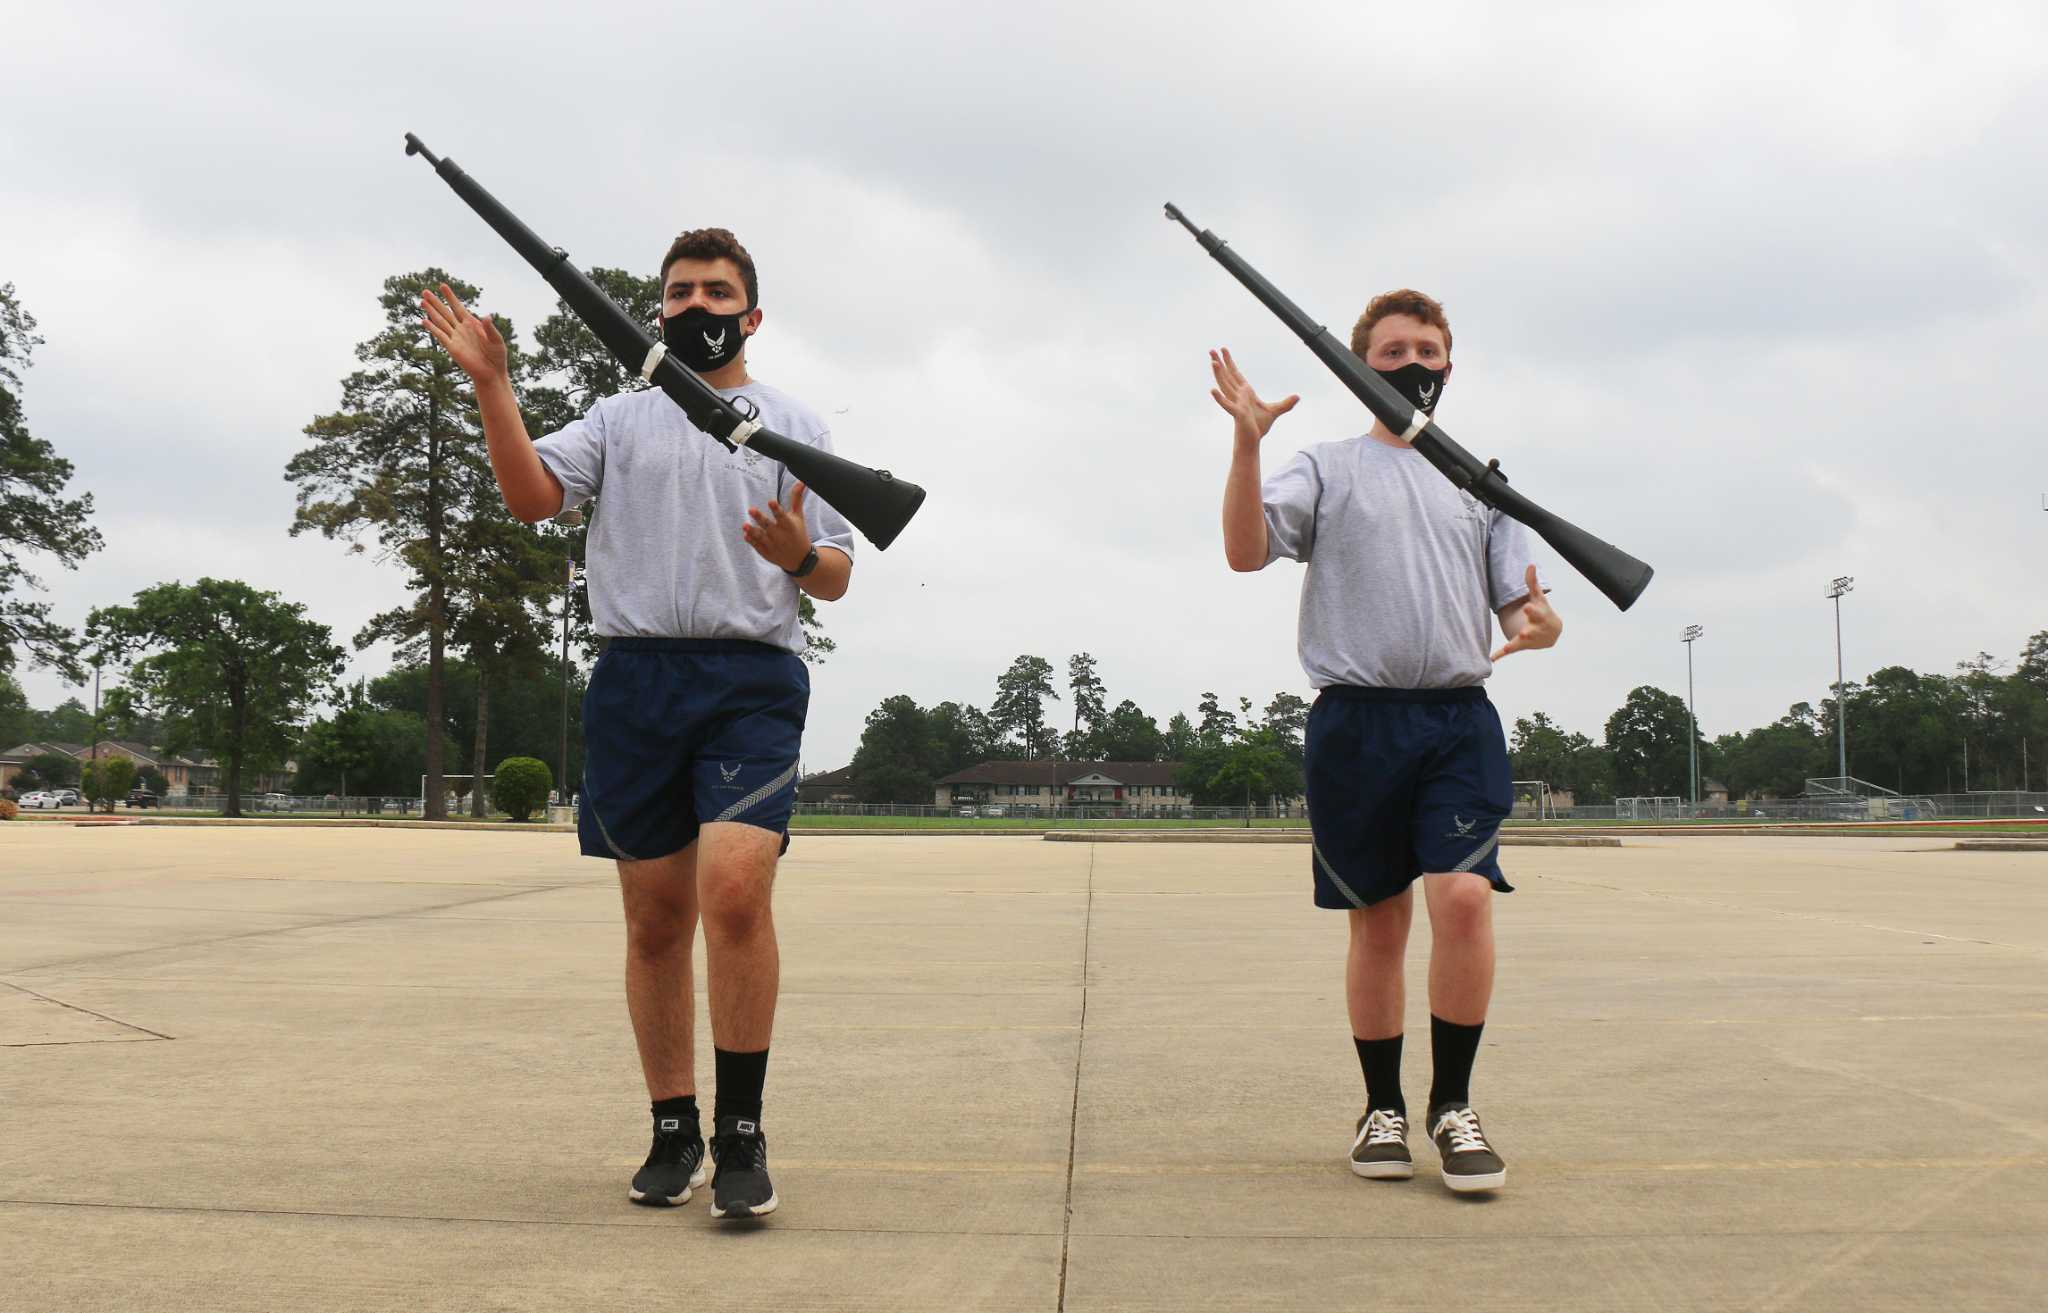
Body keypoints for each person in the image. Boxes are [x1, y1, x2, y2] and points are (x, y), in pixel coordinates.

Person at [421, 227, 855, 1220]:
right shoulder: (617, 419)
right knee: (656, 921)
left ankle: (742, 1133)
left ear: (751, 313)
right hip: (634, 680)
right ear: (656, 310)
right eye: (678, 292)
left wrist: (797, 555)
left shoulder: (793, 423)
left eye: (715, 291)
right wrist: (493, 383)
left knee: (735, 891)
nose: (695, 305)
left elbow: (834, 573)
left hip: (750, 679)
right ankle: (675, 1125)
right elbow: (532, 495)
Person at [1212, 289, 1561, 1193]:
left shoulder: (1482, 481)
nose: (1414, 363)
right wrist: (1247, 441)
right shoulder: (1324, 465)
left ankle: (1453, 1105)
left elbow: (1522, 599)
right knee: (1380, 922)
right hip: (1354, 721)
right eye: (1395, 349)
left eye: (1430, 349)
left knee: (1464, 900)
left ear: (1451, 363)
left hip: (1455, 717)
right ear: (1361, 364)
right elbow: (1246, 552)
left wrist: (1540, 621)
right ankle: (1383, 1110)